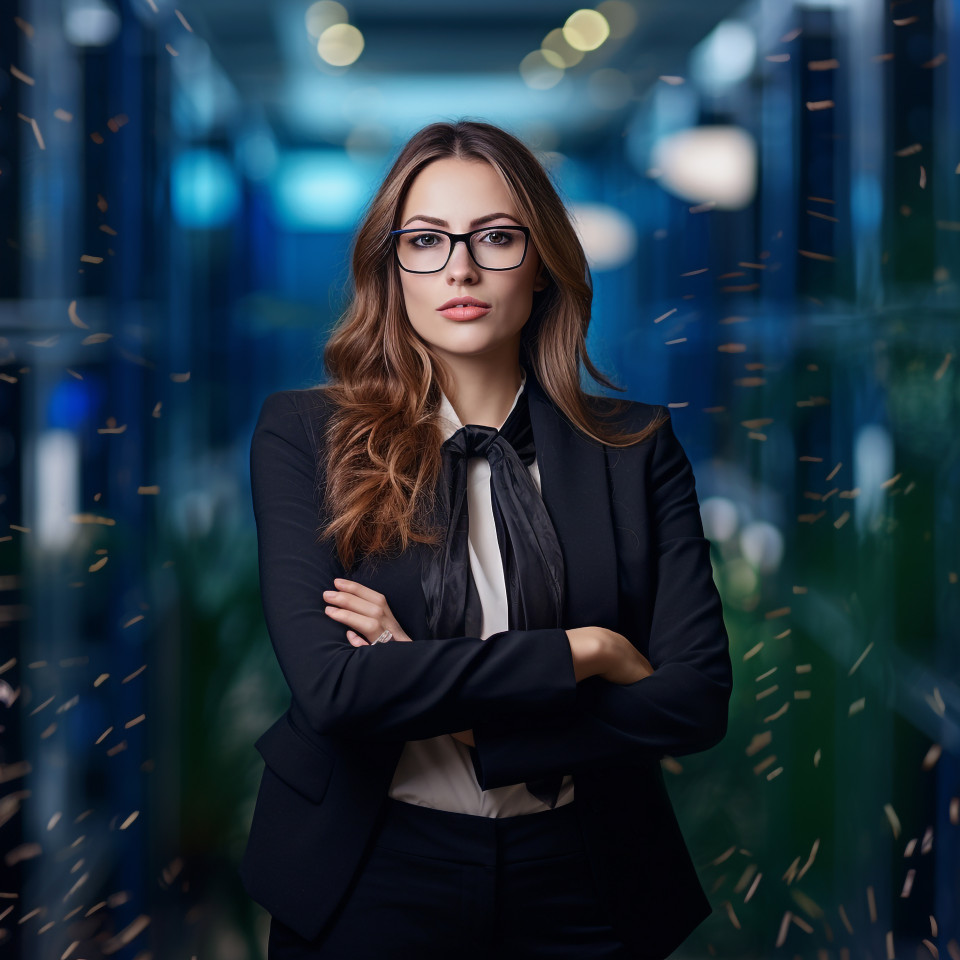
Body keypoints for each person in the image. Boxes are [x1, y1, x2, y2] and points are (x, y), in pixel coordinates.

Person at [239, 118, 733, 960]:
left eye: (496, 238)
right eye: (426, 240)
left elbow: (693, 701)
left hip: (584, 875)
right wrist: (589, 650)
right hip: (370, 870)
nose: (460, 268)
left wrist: (441, 699)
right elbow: (334, 692)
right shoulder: (304, 435)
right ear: (391, 267)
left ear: (542, 263)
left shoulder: (635, 446)